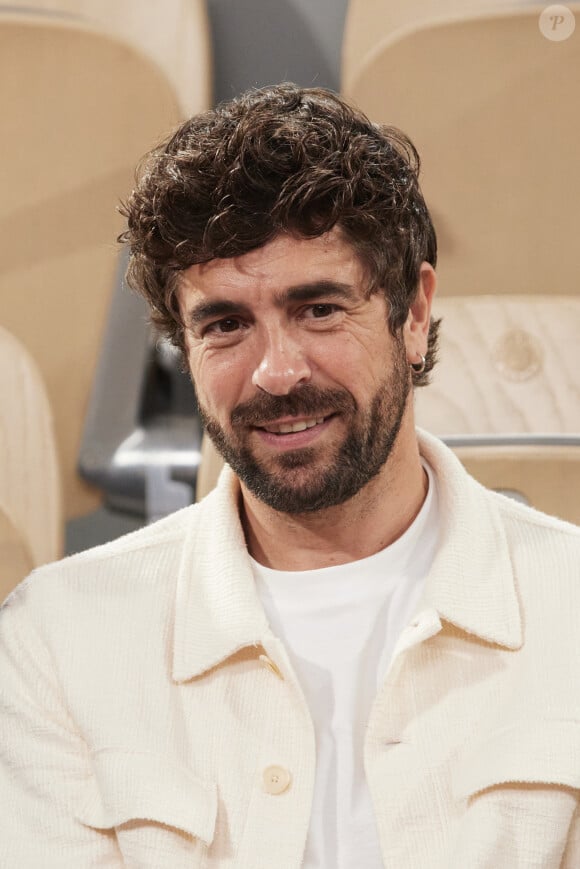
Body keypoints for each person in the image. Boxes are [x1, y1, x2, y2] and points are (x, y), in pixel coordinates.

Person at [1, 83, 579, 869]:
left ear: (413, 314)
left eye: (318, 309)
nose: (276, 372)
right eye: (226, 324)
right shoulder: (57, 642)